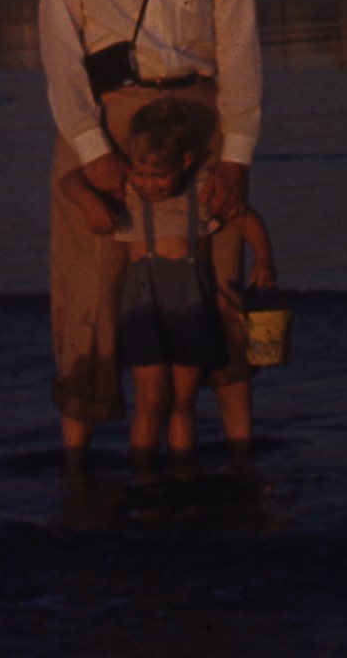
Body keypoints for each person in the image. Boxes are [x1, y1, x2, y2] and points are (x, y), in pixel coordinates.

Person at [38, 0, 264, 454]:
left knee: (220, 283)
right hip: (106, 109)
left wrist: (237, 156)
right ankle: (76, 463)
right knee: (90, 289)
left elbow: (240, 47)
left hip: (197, 111)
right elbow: (59, 50)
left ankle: (242, 458)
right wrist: (91, 150)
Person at [57, 96, 278, 457]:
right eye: (142, 173)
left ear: (185, 161)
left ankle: (182, 472)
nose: (150, 184)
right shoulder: (126, 185)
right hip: (142, 309)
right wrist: (88, 201)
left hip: (191, 307)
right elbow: (69, 181)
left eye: (160, 176)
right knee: (149, 401)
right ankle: (144, 475)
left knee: (183, 401)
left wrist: (264, 259)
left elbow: (245, 218)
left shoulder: (204, 187)